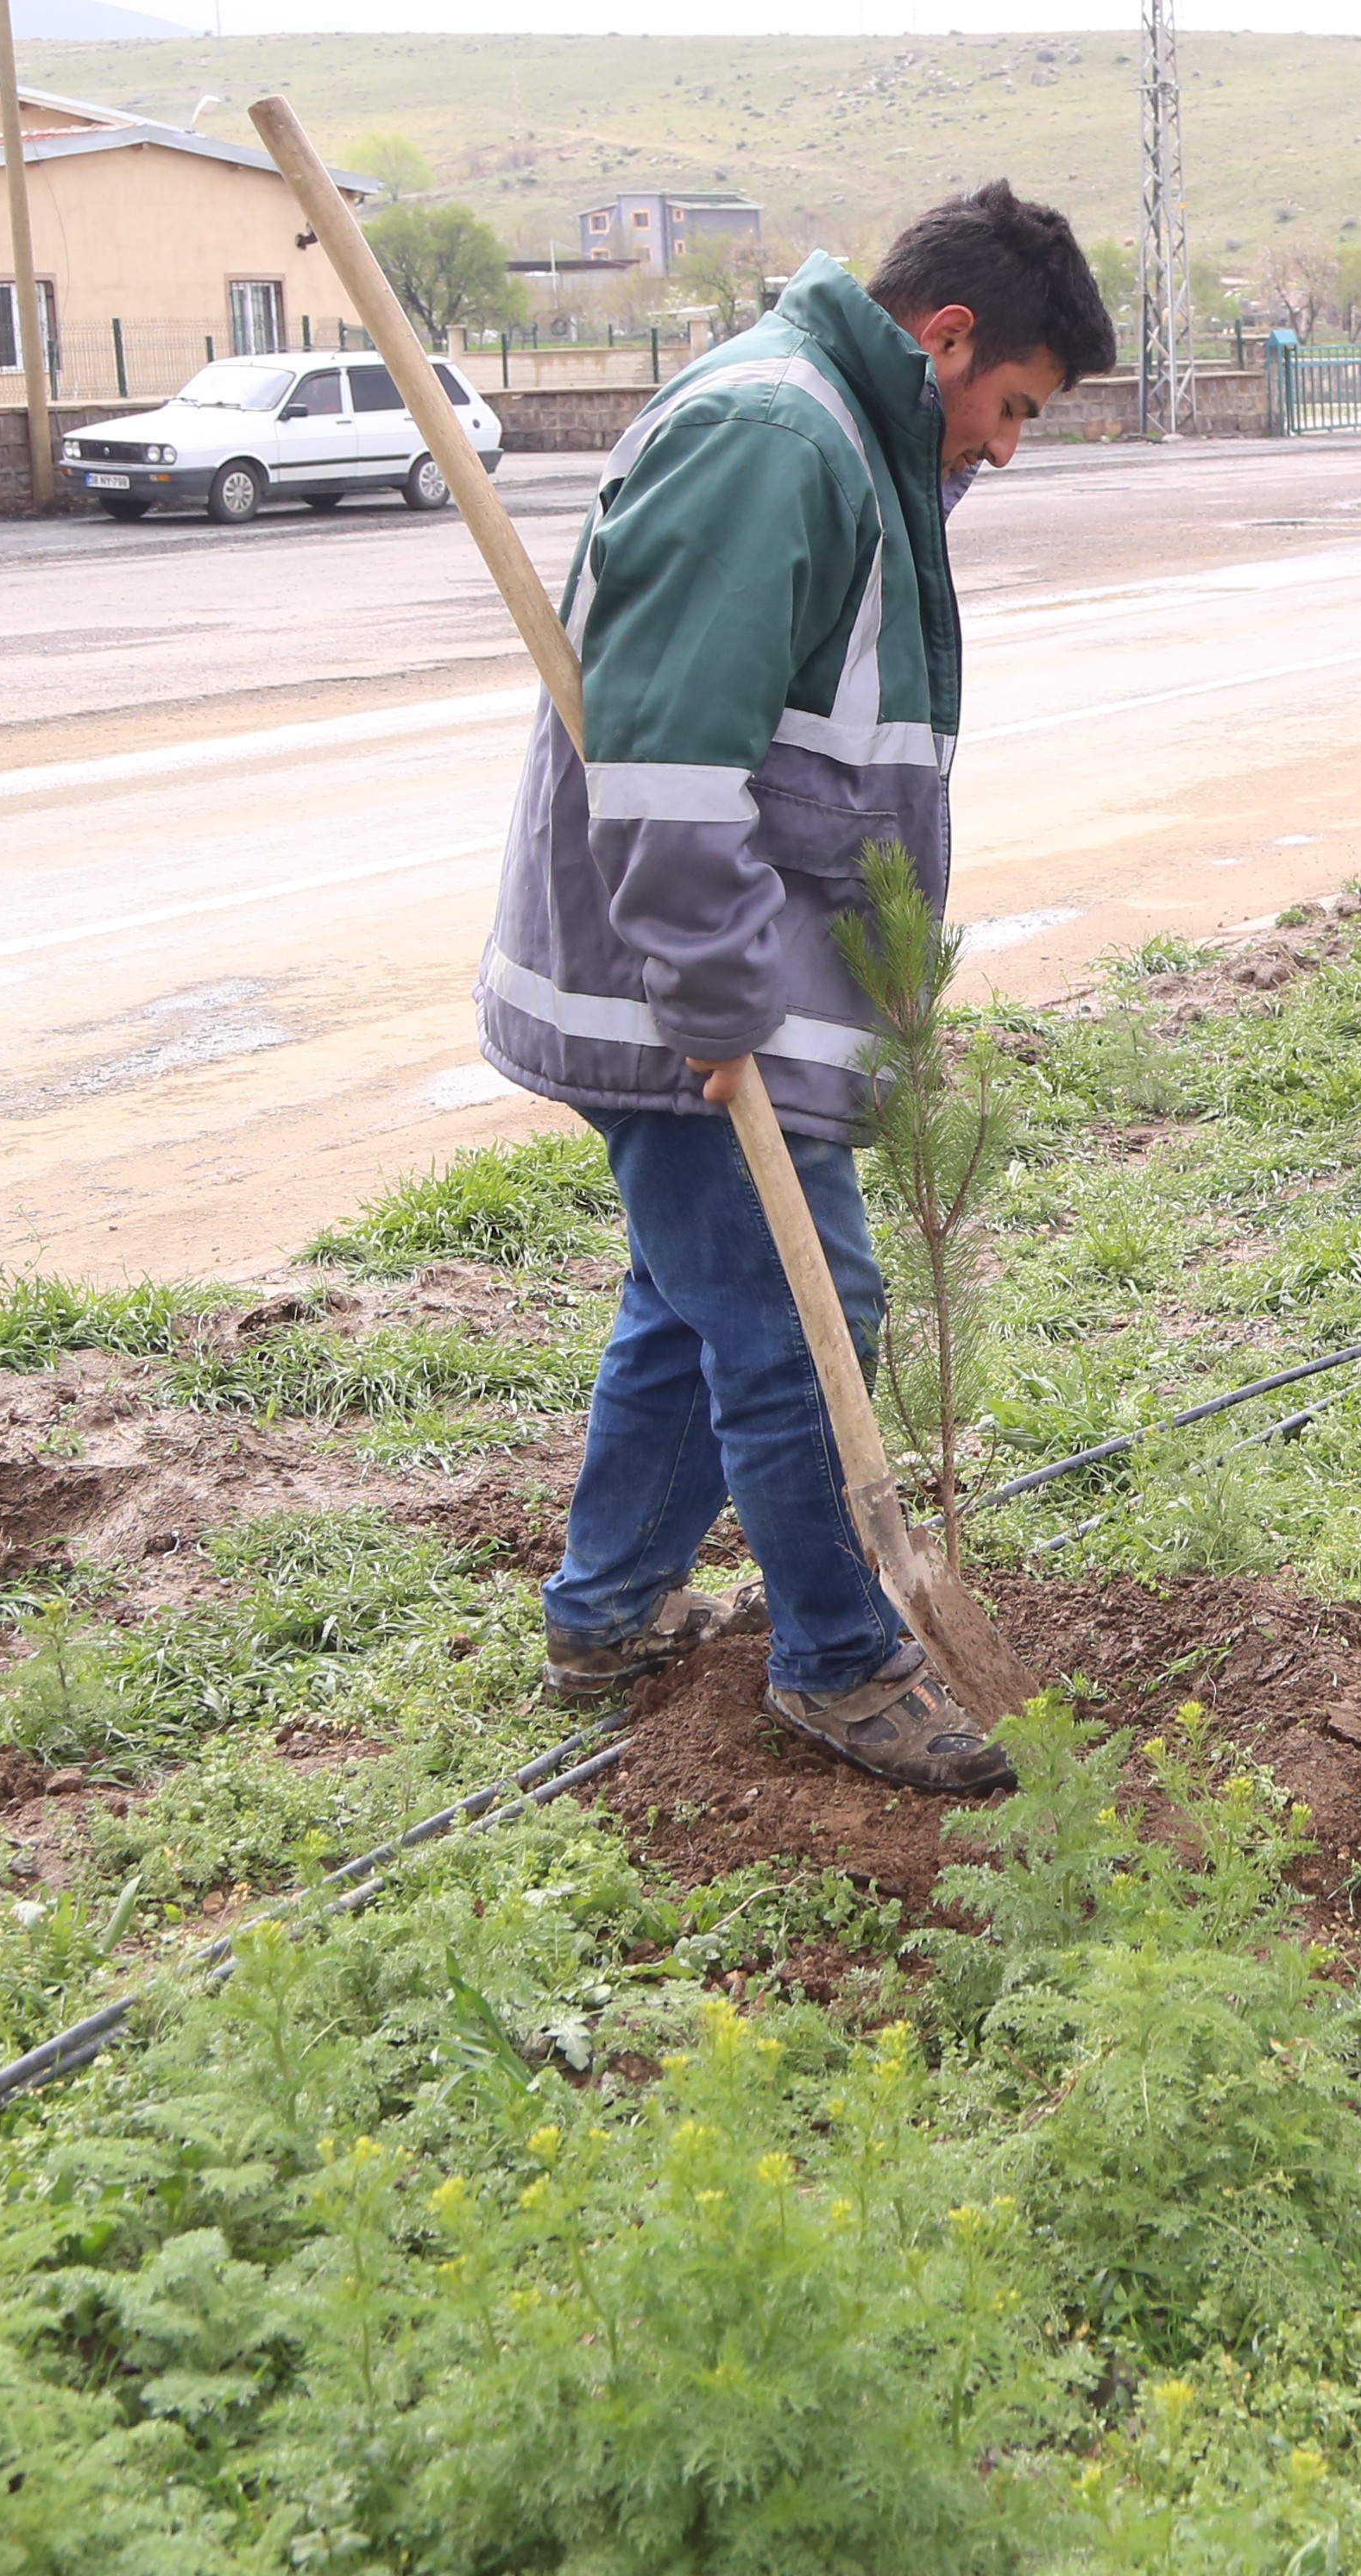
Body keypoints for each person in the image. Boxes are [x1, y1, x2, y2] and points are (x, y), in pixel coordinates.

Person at [475, 181, 1113, 1792]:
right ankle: (839, 1658)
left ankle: (606, 1611)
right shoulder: (780, 436)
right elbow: (674, 751)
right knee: (794, 1323)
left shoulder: (846, 433)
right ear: (945, 336)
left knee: (693, 1304)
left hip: (728, 973)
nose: (1011, 449)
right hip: (694, 989)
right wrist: (712, 1000)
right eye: (1014, 408)